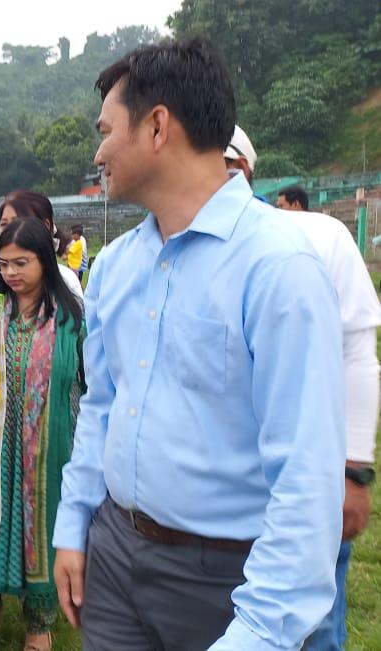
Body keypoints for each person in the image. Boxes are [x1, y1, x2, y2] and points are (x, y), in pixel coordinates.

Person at [53, 38, 345, 650]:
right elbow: (101, 406)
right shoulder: (115, 266)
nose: (98, 151)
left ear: (158, 126)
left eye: (107, 131)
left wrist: (261, 631)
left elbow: (306, 475)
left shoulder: (277, 268)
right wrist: (75, 523)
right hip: (115, 553)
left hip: (225, 581)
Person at [230, 131, 381, 650]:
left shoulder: (317, 237)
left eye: (226, 163)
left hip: (307, 483)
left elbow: (358, 353)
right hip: (223, 497)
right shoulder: (170, 246)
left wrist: (354, 472)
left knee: (315, 627)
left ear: (248, 170)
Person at [0, 217, 84, 651]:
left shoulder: (69, 317)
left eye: (22, 263)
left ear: (46, 262)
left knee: (44, 527)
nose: (11, 273)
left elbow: (85, 382)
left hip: (48, 448)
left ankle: (39, 624)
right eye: (4, 264)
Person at [0, 192, 82, 301]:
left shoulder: (67, 280)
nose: (9, 231)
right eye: (4, 224)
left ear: (46, 226)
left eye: (18, 223)